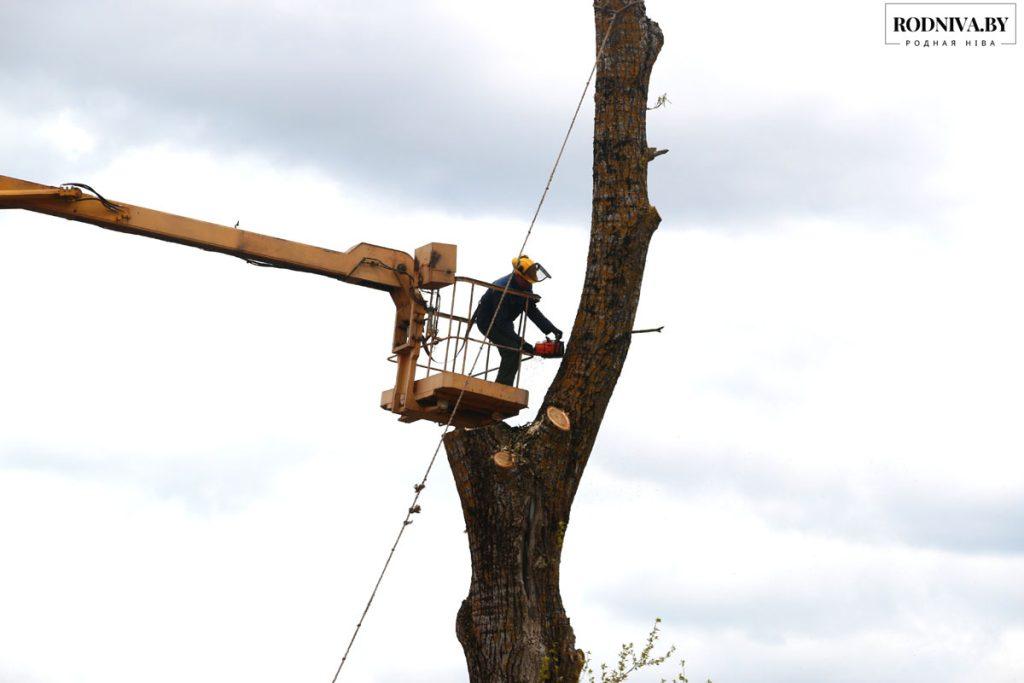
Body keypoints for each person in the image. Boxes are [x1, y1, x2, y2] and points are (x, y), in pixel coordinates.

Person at [474, 255, 563, 386]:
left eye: (530, 282)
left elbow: (531, 310)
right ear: (517, 275)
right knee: (512, 350)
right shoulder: (501, 289)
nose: (529, 284)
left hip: (505, 322)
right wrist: (521, 341)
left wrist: (550, 328)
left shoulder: (525, 286)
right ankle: (502, 387)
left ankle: (503, 385)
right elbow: (500, 322)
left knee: (514, 350)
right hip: (488, 323)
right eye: (526, 281)